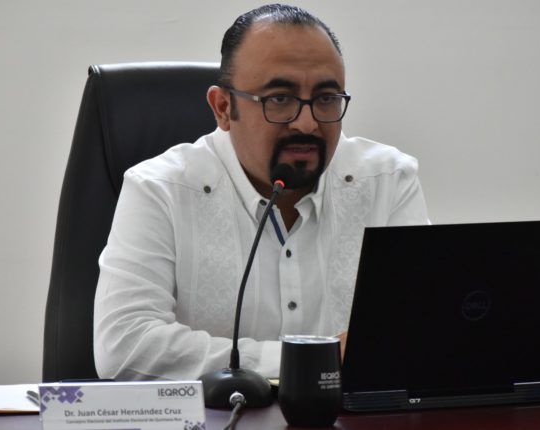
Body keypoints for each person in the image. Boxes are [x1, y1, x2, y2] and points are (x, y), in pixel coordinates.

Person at [93, 4, 429, 381]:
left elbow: (421, 329)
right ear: (223, 108)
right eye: (279, 99)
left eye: (326, 98)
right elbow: (124, 345)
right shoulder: (161, 190)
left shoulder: (388, 180)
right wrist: (313, 359)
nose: (307, 123)